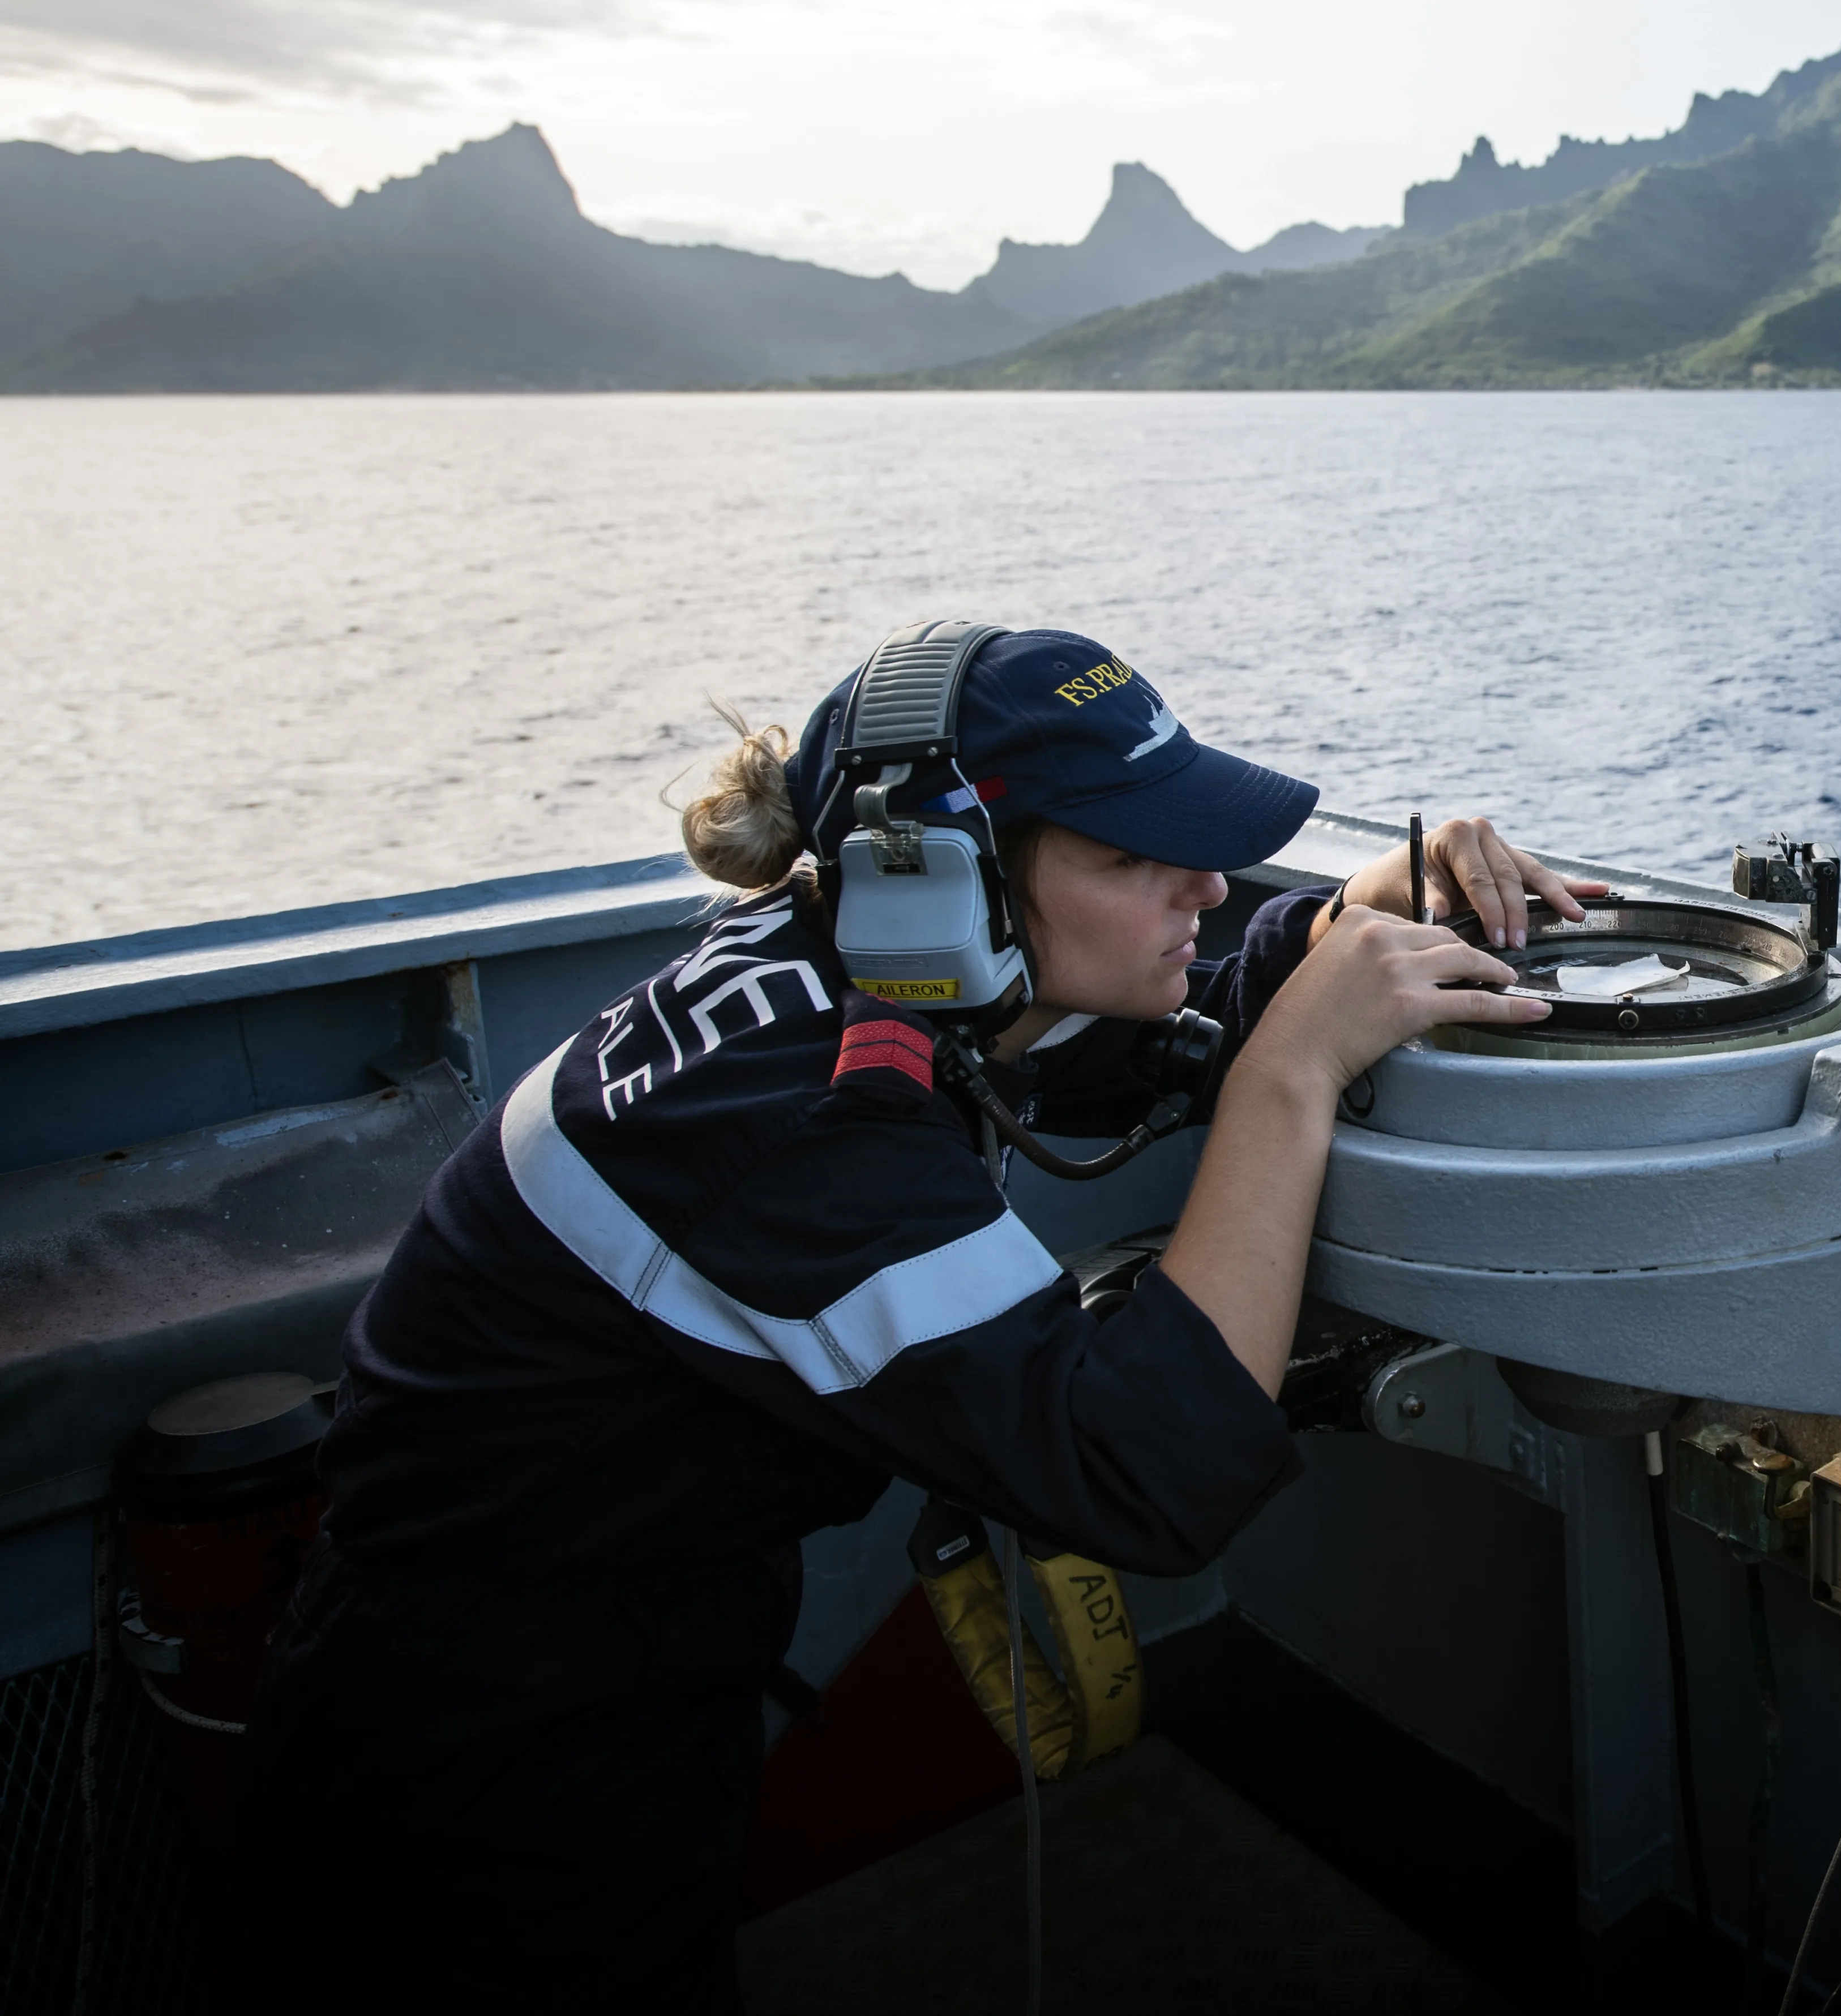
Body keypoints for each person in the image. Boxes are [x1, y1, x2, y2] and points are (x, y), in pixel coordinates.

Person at [243, 626, 1587, 2009]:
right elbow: (1151, 1474)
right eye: (1133, 857)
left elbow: (1117, 1042)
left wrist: (1334, 923)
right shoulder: (797, 1122)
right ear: (935, 880)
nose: (1205, 882)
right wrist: (1293, 1070)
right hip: (486, 1752)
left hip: (603, 1635)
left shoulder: (849, 956)